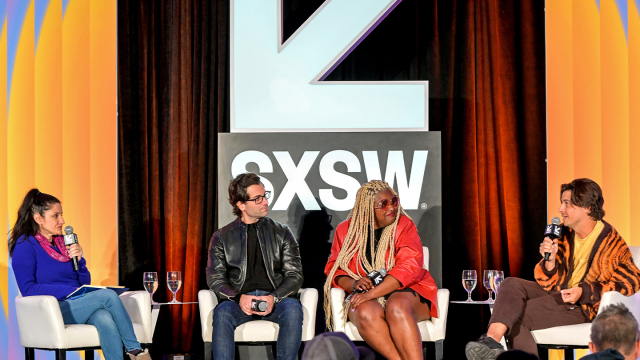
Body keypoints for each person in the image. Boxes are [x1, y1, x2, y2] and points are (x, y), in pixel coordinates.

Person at [465, 178, 640, 360]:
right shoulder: (563, 233)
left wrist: (584, 292)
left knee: (518, 316)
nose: (560, 209)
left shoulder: (610, 242)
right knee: (511, 284)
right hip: (557, 293)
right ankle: (491, 341)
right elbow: (550, 281)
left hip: (583, 306)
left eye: (567, 203)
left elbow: (632, 280)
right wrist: (550, 261)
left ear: (587, 207)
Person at [9, 189, 150, 360]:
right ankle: (136, 351)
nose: (62, 221)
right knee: (107, 295)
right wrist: (68, 291)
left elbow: (83, 282)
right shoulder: (25, 245)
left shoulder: (64, 243)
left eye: (61, 215)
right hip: (51, 310)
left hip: (75, 303)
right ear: (38, 218)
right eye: (56, 216)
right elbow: (28, 289)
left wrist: (80, 261)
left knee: (104, 318)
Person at [324, 180, 439, 360]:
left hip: (406, 291)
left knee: (397, 307)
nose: (391, 207)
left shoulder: (404, 225)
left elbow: (408, 268)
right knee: (364, 312)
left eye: (393, 200)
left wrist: (370, 294)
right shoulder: (346, 230)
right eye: (383, 204)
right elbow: (335, 269)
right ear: (368, 208)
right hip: (365, 294)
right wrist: (354, 283)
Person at [206, 173, 304, 360]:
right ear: (241, 205)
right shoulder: (222, 237)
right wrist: (238, 297)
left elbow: (295, 275)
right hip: (239, 302)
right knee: (223, 312)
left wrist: (274, 297)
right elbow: (215, 277)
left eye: (264, 195)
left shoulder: (281, 233)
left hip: (276, 301)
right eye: (257, 198)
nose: (264, 201)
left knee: (292, 308)